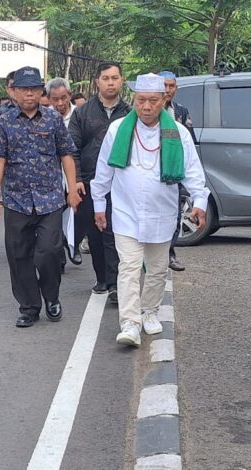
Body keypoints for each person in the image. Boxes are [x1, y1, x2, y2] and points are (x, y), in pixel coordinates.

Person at [91, 73, 209, 347]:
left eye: (152, 101)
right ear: (134, 100)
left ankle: (150, 311)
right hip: (125, 212)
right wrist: (99, 205)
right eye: (141, 100)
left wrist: (200, 203)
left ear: (163, 100)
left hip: (162, 214)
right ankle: (130, 323)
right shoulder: (118, 129)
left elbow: (193, 171)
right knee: (129, 267)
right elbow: (103, 171)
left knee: (156, 269)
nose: (146, 107)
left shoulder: (177, 132)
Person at [0, 66, 81, 328]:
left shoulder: (52, 120)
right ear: (14, 91)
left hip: (50, 199)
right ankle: (29, 306)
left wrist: (72, 189)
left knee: (49, 252)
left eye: (34, 89)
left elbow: (66, 155)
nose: (29, 94)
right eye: (23, 89)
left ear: (42, 92)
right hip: (16, 200)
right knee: (19, 255)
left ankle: (51, 296)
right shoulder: (3, 122)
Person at [68, 62, 131, 299]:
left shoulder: (129, 113)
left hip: (122, 183)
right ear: (98, 82)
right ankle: (101, 279)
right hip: (91, 181)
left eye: (115, 78)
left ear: (121, 81)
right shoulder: (83, 113)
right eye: (106, 78)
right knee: (95, 231)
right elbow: (72, 149)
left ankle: (116, 282)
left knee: (116, 231)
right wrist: (77, 179)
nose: (111, 82)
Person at [158, 70, 199, 272]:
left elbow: (190, 141)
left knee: (175, 214)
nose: (167, 90)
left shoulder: (181, 112)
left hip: (175, 173)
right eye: (164, 85)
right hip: (151, 171)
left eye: (171, 86)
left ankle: (169, 251)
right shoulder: (144, 109)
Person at [46, 77, 80, 271]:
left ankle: (73, 244)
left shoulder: (80, 115)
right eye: (55, 99)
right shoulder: (45, 117)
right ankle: (59, 255)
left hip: (76, 175)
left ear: (69, 96)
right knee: (54, 219)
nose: (60, 103)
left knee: (76, 214)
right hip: (53, 177)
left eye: (63, 98)